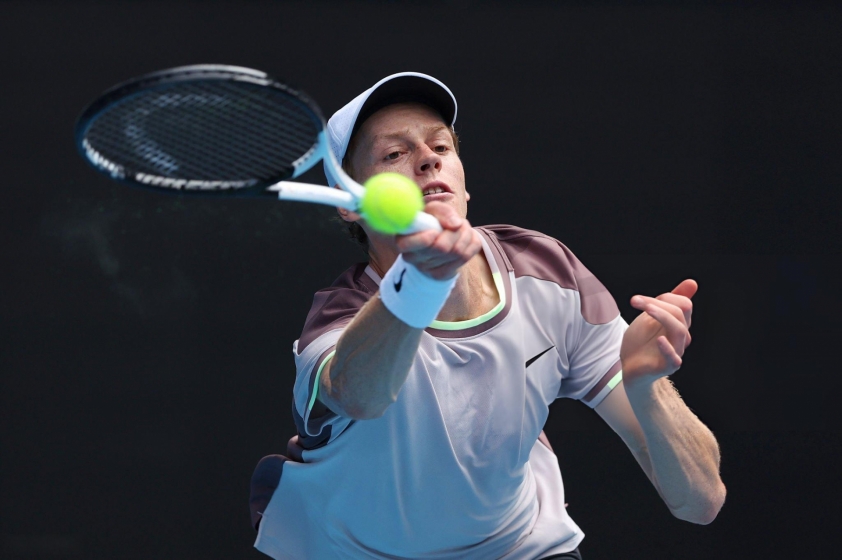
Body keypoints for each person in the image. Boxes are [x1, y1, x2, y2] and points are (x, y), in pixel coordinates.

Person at [249, 73, 726, 560]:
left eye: (441, 146)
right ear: (352, 206)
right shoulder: (338, 318)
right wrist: (419, 283)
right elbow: (358, 394)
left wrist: (647, 389)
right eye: (394, 154)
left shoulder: (548, 274)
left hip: (519, 548)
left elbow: (700, 502)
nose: (429, 158)